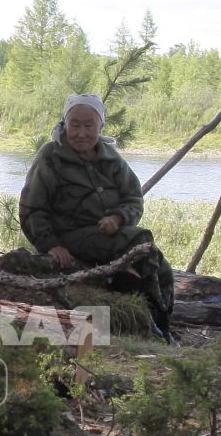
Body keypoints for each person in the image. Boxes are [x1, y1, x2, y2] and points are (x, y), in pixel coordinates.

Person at [18, 93, 177, 341]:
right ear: (64, 124)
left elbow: (134, 199)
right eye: (75, 125)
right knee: (141, 239)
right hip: (70, 238)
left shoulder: (111, 159)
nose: (81, 133)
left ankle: (159, 320)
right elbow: (32, 208)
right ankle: (154, 325)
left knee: (159, 264)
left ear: (100, 126)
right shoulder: (51, 157)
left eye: (89, 125)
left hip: (105, 237)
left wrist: (118, 218)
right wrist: (51, 245)